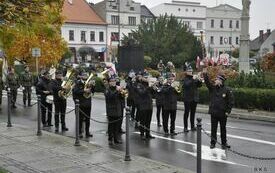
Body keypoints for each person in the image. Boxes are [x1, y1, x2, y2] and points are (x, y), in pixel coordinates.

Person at [203, 69, 234, 150]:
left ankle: (224, 143)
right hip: (214, 112)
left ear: (221, 81)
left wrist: (228, 111)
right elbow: (207, 83)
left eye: (217, 79)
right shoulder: (213, 88)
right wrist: (205, 74)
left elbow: (231, 101)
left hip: (223, 113)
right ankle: (213, 143)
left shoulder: (227, 90)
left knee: (223, 129)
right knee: (213, 129)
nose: (215, 80)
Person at [73, 72, 95, 138]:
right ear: (81, 76)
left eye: (86, 76)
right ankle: (79, 132)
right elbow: (75, 91)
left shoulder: (89, 83)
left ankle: (87, 132)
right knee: (80, 119)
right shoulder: (78, 83)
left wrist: (93, 86)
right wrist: (84, 90)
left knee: (88, 119)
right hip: (81, 103)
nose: (85, 76)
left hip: (88, 103)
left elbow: (93, 91)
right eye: (84, 75)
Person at [135, 72, 155, 140]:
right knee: (143, 121)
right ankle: (142, 134)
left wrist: (153, 87)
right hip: (143, 105)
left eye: (147, 77)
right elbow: (142, 93)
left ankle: (147, 133)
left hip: (149, 105)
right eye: (145, 77)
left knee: (148, 121)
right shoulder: (139, 85)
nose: (147, 79)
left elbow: (153, 94)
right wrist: (149, 87)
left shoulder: (148, 85)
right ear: (142, 78)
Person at [105, 75, 123, 145]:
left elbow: (121, 98)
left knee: (117, 125)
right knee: (111, 125)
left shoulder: (117, 88)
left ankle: (116, 139)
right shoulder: (107, 89)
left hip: (118, 109)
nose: (113, 82)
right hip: (111, 109)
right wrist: (117, 91)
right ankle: (110, 139)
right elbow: (110, 97)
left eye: (114, 81)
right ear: (109, 82)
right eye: (112, 81)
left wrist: (122, 93)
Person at [183, 67, 202, 133]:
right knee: (186, 113)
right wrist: (193, 79)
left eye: (191, 70)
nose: (191, 72)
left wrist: (199, 80)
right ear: (186, 72)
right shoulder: (185, 78)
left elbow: (199, 85)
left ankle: (192, 126)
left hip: (194, 98)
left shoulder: (194, 78)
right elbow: (186, 85)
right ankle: (185, 127)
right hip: (187, 98)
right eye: (189, 71)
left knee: (193, 113)